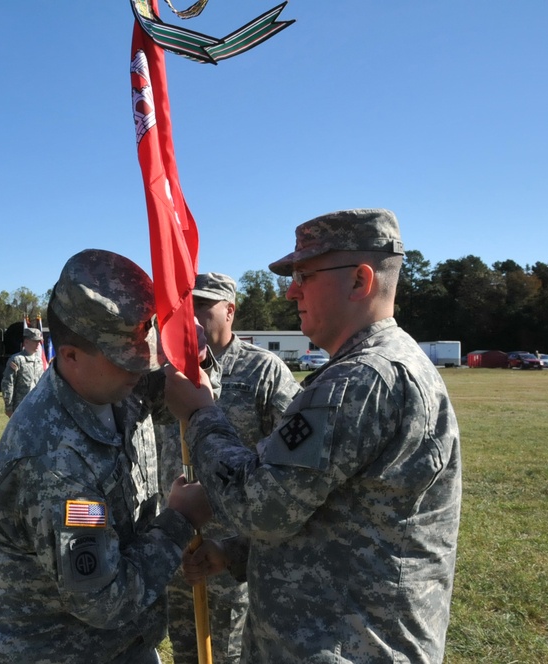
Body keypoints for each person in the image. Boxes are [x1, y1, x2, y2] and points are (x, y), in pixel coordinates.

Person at [165, 209, 462, 663]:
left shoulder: (362, 379)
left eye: (305, 275)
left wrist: (201, 413)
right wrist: (235, 553)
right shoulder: (369, 370)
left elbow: (262, 506)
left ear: (360, 281)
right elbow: (329, 508)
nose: (290, 290)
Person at [0, 249, 213, 664]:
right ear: (70, 356)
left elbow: (173, 388)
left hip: (123, 644)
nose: (143, 369)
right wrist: (180, 522)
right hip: (52, 650)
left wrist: (195, 354)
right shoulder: (53, 461)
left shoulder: (113, 383)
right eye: (128, 360)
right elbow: (105, 600)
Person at [158, 271, 302, 664]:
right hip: (174, 543)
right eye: (187, 306)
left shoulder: (264, 371)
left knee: (228, 654)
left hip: (230, 551)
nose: (193, 315)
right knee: (185, 650)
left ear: (230, 310)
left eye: (203, 305)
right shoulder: (167, 372)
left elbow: (292, 457)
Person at [0, 326, 44, 416]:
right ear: (26, 342)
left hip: (37, 406)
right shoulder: (17, 360)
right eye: (35, 341)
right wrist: (8, 406)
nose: (38, 344)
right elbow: (8, 384)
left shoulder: (39, 361)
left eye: (38, 342)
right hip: (21, 407)